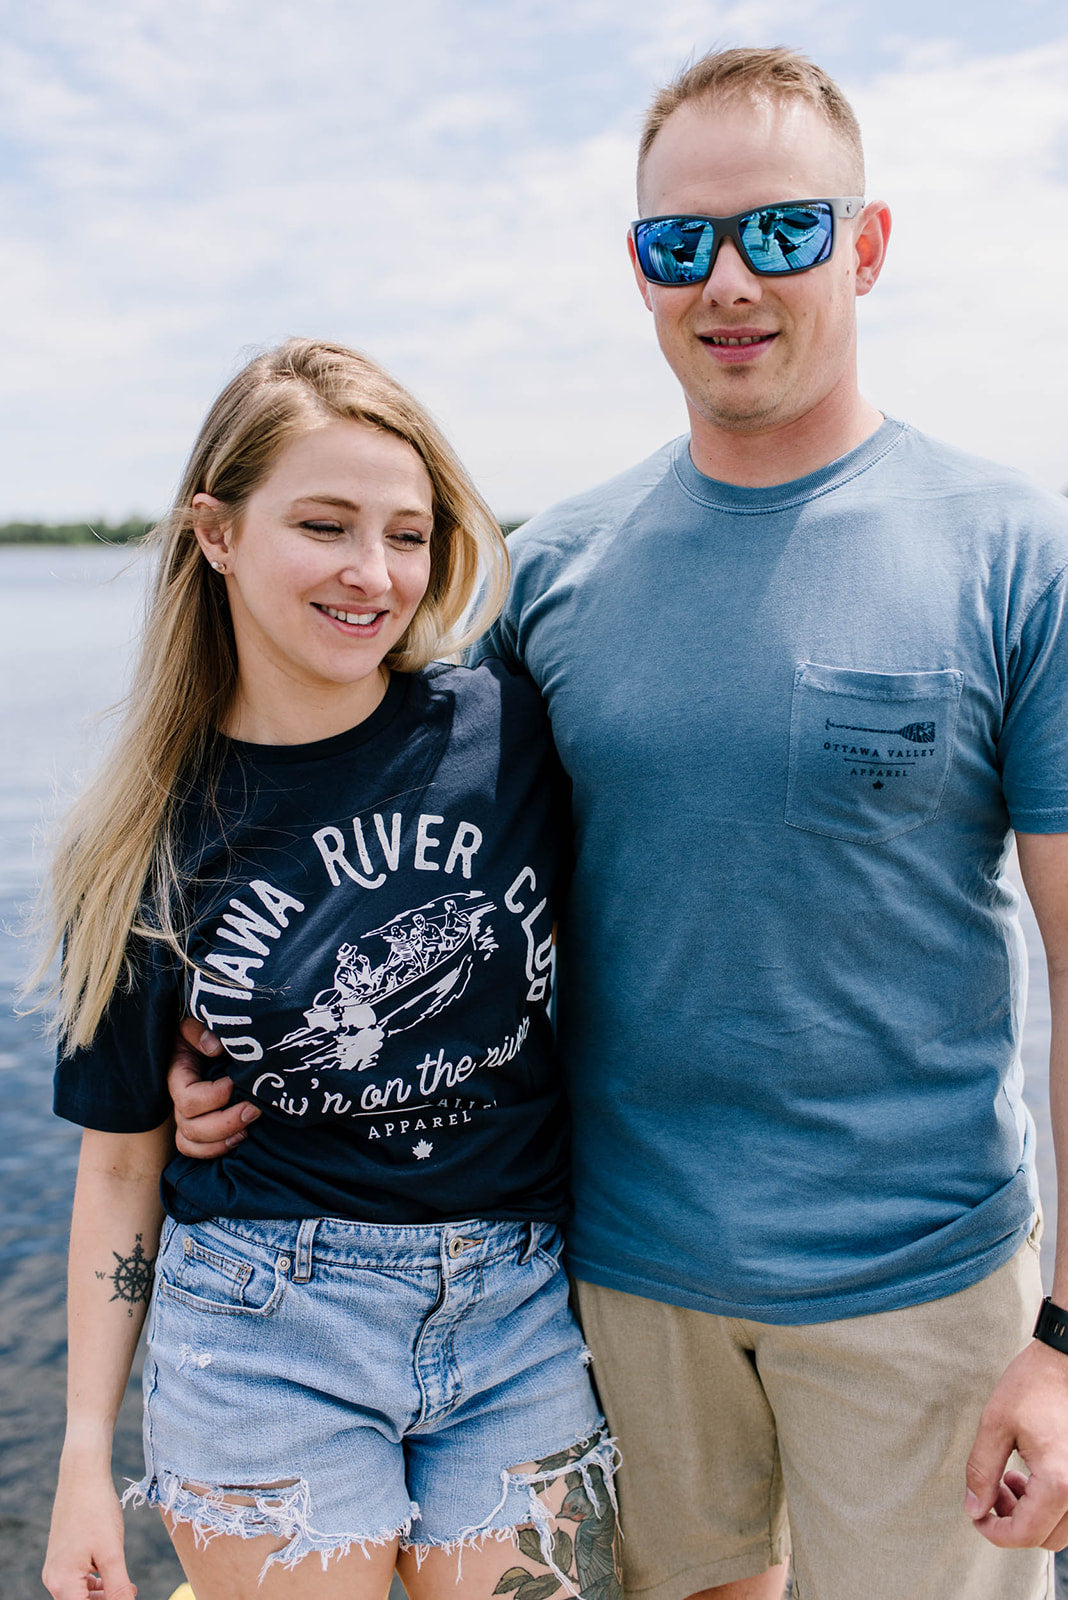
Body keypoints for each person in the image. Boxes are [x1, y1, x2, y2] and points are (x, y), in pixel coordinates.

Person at [169, 48, 1068, 1600]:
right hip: (603, 1288)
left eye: (784, 231)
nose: (730, 279)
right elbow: (408, 853)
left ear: (866, 244)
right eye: (681, 241)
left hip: (921, 1299)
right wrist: (228, 1052)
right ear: (639, 269)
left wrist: (1064, 1342)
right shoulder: (553, 571)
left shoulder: (1012, 551)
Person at [39, 338, 620, 1600]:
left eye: (408, 534)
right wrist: (84, 1453)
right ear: (217, 532)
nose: (375, 574)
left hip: (517, 1309)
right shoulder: (147, 834)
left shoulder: (508, 732)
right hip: (262, 1327)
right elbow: (124, 1156)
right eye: (326, 524)